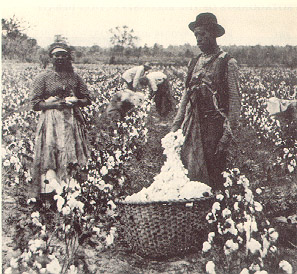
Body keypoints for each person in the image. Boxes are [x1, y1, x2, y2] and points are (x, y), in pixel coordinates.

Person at [171, 13, 241, 191]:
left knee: (214, 172)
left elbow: (234, 103)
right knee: (191, 169)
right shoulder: (194, 62)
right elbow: (186, 96)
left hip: (215, 127)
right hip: (193, 124)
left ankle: (216, 211)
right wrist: (176, 125)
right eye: (196, 35)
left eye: (202, 34)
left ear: (213, 34)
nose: (198, 39)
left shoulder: (227, 62)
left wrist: (226, 136)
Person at [30, 42, 92, 199]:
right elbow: (36, 104)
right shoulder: (43, 77)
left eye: (63, 55)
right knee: (52, 150)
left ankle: (70, 186)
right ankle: (50, 189)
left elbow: (87, 99)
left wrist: (76, 101)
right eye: (56, 55)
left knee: (71, 150)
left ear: (68, 57)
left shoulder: (75, 77)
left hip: (71, 120)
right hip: (51, 121)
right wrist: (55, 104)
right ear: (51, 57)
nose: (59, 58)